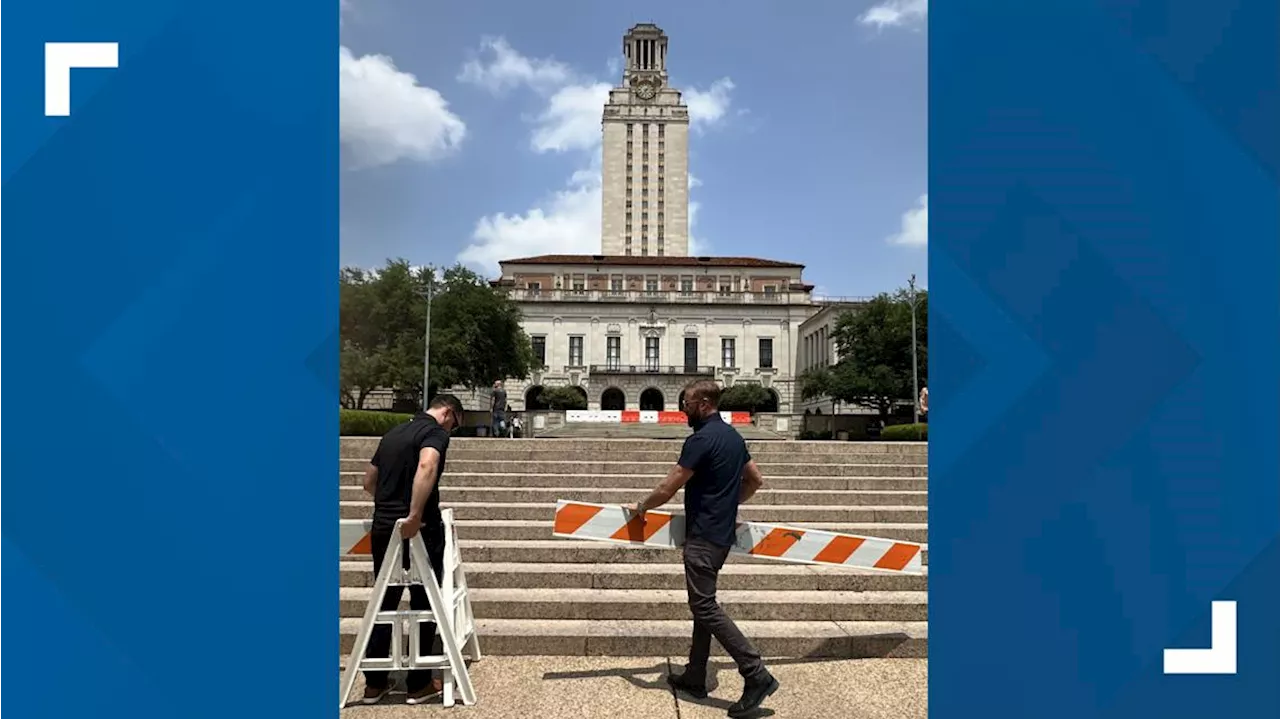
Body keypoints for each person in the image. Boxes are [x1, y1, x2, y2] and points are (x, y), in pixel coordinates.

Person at [634, 379, 779, 717]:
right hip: (722, 535)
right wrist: (729, 504)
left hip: (702, 536)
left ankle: (756, 673)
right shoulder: (733, 437)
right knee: (704, 604)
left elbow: (668, 487)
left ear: (701, 403)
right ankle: (695, 675)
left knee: (704, 606)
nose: (682, 408)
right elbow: (756, 480)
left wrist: (642, 505)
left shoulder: (699, 440)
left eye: (685, 402)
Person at [359, 393, 464, 705]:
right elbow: (427, 463)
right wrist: (414, 514)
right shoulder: (433, 433)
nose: (450, 432)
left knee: (384, 599)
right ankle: (418, 684)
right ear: (448, 413)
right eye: (454, 425)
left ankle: (374, 683)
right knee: (424, 599)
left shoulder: (393, 433)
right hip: (420, 528)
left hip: (384, 526)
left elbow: (368, 481)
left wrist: (389, 507)